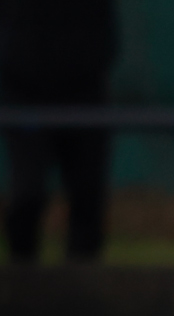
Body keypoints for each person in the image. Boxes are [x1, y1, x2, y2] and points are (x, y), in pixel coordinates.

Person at [0, 0, 118, 264]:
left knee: (87, 195)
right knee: (27, 194)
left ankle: (82, 280)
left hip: (85, 95)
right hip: (25, 97)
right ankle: (21, 274)